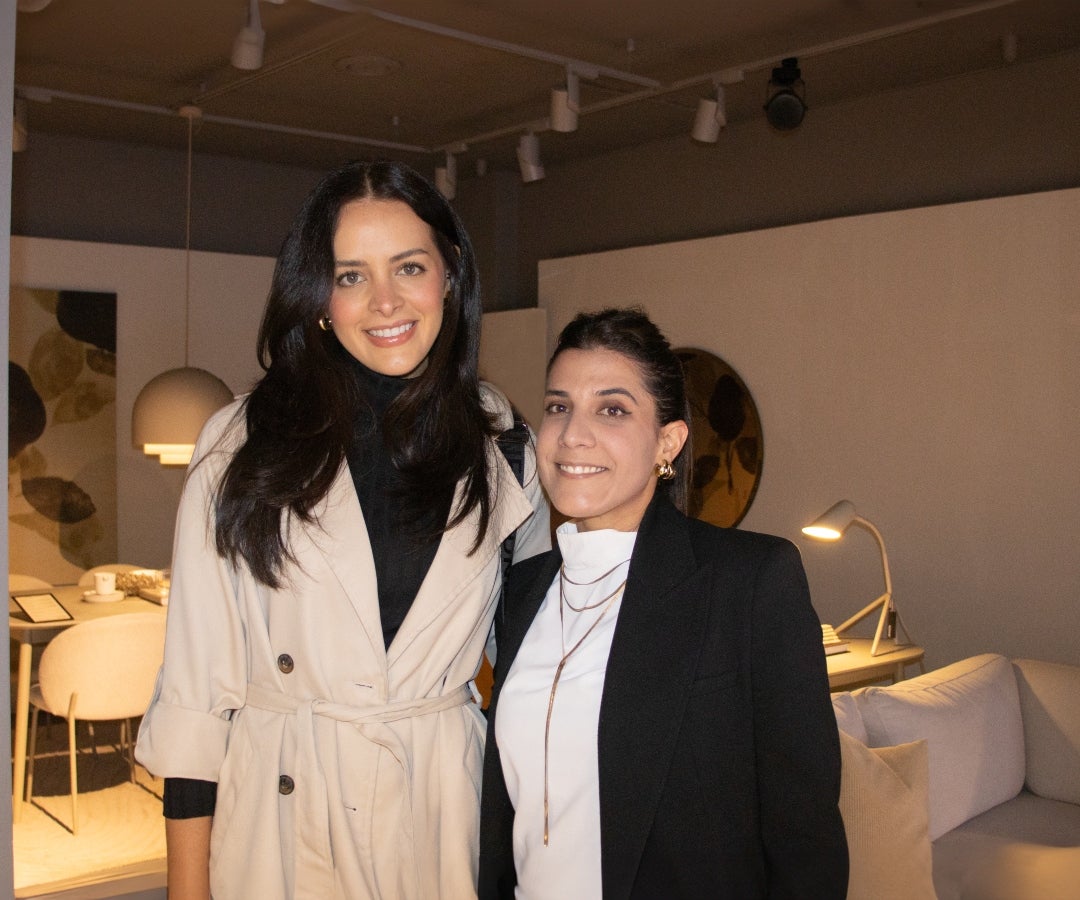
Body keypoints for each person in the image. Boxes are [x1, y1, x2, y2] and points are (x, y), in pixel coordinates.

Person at [135, 160, 549, 900]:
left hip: (440, 814)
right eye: (350, 275)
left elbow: (536, 664)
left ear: (450, 275)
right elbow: (195, 700)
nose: (385, 301)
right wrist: (186, 890)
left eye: (409, 267)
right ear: (318, 298)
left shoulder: (502, 442)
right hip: (283, 820)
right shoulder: (241, 440)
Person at [478, 307, 848, 899]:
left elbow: (806, 842)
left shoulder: (749, 582)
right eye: (558, 407)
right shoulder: (522, 592)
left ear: (667, 442)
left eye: (612, 409)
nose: (572, 434)